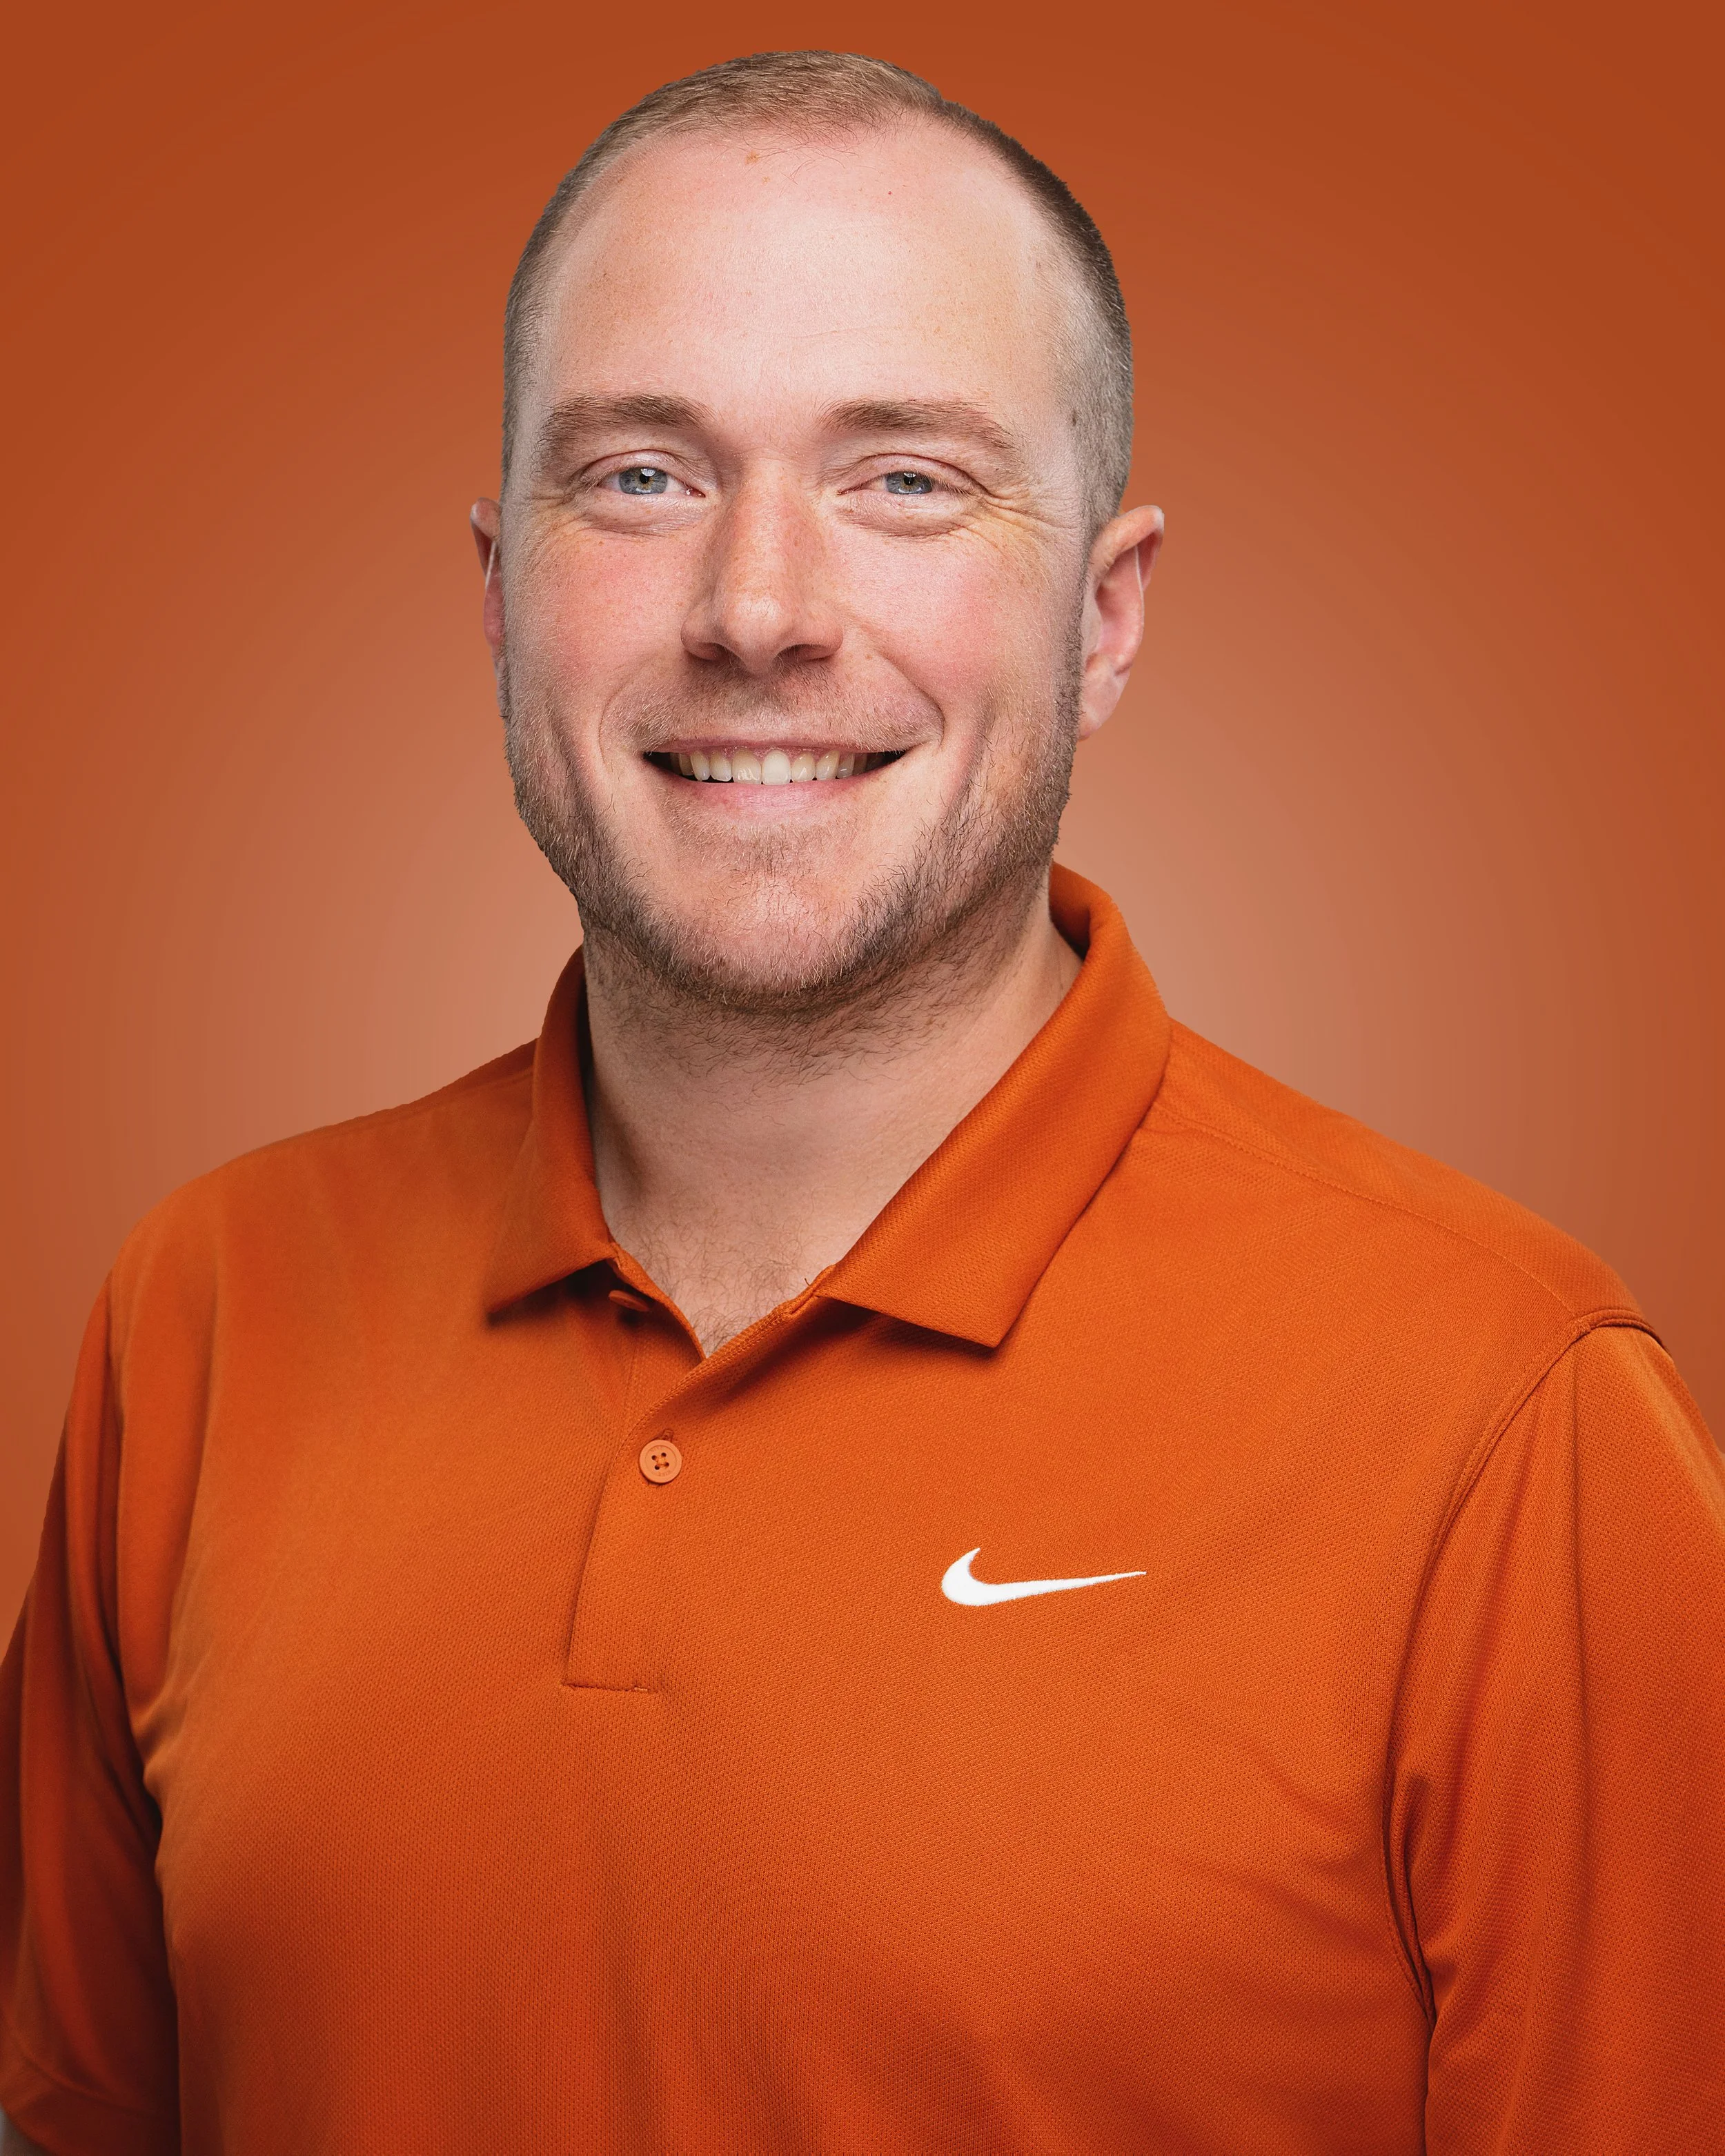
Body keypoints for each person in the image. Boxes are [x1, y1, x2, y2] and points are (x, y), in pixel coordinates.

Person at [3, 48, 1722, 2156]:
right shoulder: (205, 1307)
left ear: (1101, 615)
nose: (755, 612)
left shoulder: (1504, 1411)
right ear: (495, 589)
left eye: (904, 478)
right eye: (639, 475)